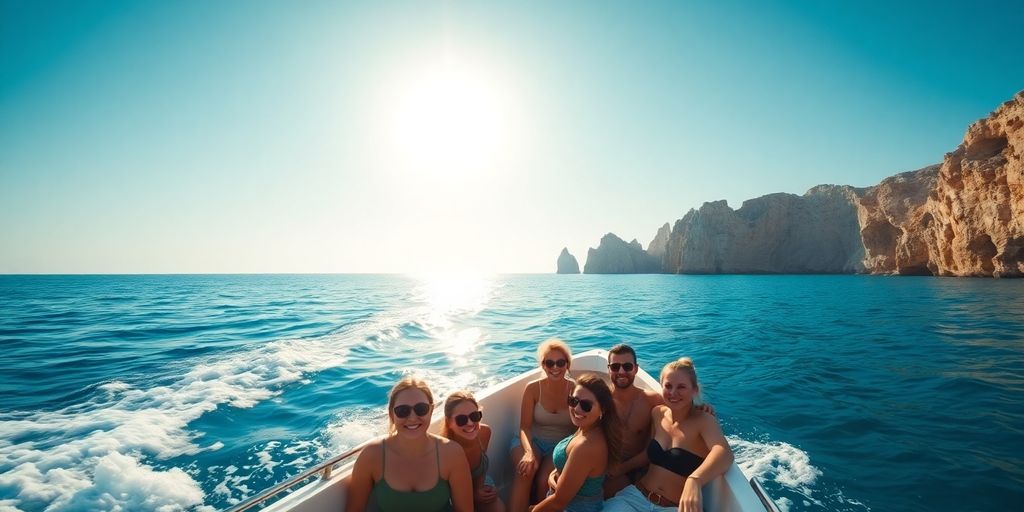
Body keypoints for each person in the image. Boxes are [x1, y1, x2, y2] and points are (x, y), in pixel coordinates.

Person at [603, 358, 734, 512]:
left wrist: (695, 480)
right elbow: (648, 454)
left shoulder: (704, 420)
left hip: (673, 507)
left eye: (681, 387)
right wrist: (622, 468)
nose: (673, 393)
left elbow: (724, 453)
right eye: (668, 386)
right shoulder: (658, 413)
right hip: (635, 498)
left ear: (694, 390)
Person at [346, 377, 473, 512]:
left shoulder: (452, 453)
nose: (412, 417)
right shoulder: (371, 455)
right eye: (403, 411)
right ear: (391, 414)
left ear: (431, 410)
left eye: (421, 409)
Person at [532, 374, 621, 512]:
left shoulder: (587, 446)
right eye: (573, 401)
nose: (577, 409)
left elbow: (558, 503)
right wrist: (552, 476)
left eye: (586, 405)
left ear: (602, 409)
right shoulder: (587, 428)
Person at [509, 338, 577, 512]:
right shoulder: (532, 389)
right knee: (525, 471)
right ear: (543, 365)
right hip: (532, 441)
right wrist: (529, 452)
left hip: (560, 446)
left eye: (560, 362)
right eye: (549, 363)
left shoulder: (575, 390)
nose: (555, 367)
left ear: (567, 365)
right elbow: (524, 427)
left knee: (543, 481)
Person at [602, 344, 664, 498]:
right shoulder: (601, 400)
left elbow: (680, 410)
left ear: (636, 369)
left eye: (627, 366)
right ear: (608, 369)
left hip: (638, 468)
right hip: (605, 465)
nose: (621, 372)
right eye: (615, 367)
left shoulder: (652, 401)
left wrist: (701, 409)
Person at [442, 391, 506, 512]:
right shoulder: (445, 449)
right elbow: (445, 491)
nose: (470, 423)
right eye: (461, 420)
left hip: (478, 484)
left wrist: (480, 490)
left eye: (474, 416)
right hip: (452, 495)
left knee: (499, 509)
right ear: (448, 422)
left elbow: (481, 471)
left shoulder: (484, 433)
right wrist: (473, 495)